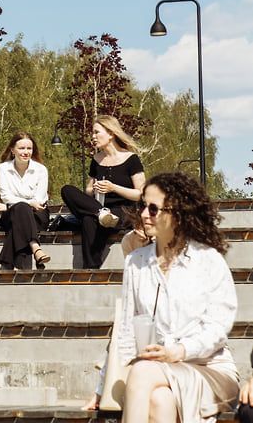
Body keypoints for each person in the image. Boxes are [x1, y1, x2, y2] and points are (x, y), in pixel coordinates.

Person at [82, 172, 237, 423]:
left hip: (209, 370)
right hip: (158, 372)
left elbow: (217, 330)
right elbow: (125, 331)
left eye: (153, 209)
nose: (144, 214)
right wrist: (101, 389)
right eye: (142, 205)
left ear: (177, 213)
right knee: (159, 400)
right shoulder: (136, 262)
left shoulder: (208, 260)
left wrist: (178, 352)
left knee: (142, 371)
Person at [60, 115, 145, 269]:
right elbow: (87, 190)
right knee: (67, 190)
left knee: (87, 219)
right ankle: (101, 214)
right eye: (92, 133)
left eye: (96, 132)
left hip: (123, 211)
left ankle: (90, 268)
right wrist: (95, 189)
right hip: (99, 208)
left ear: (111, 134)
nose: (93, 137)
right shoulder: (96, 159)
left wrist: (113, 188)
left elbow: (140, 194)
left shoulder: (131, 159)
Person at [0, 132, 50, 270]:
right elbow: (6, 196)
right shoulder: (3, 169)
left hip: (38, 214)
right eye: (21, 148)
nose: (26, 152)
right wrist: (28, 203)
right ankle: (35, 246)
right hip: (14, 213)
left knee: (19, 217)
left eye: (29, 148)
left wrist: (10, 206)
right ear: (12, 150)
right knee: (21, 209)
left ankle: (8, 264)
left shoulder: (40, 170)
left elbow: (40, 199)